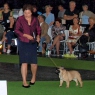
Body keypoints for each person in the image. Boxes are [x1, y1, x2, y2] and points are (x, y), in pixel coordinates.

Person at [14, 4, 41, 88]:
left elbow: (38, 29)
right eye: (25, 13)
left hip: (32, 42)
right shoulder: (20, 19)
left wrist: (38, 36)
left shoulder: (35, 20)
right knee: (24, 62)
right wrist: (25, 35)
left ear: (31, 12)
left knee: (33, 63)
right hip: (23, 41)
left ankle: (33, 77)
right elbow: (16, 30)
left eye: (28, 13)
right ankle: (24, 81)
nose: (26, 15)